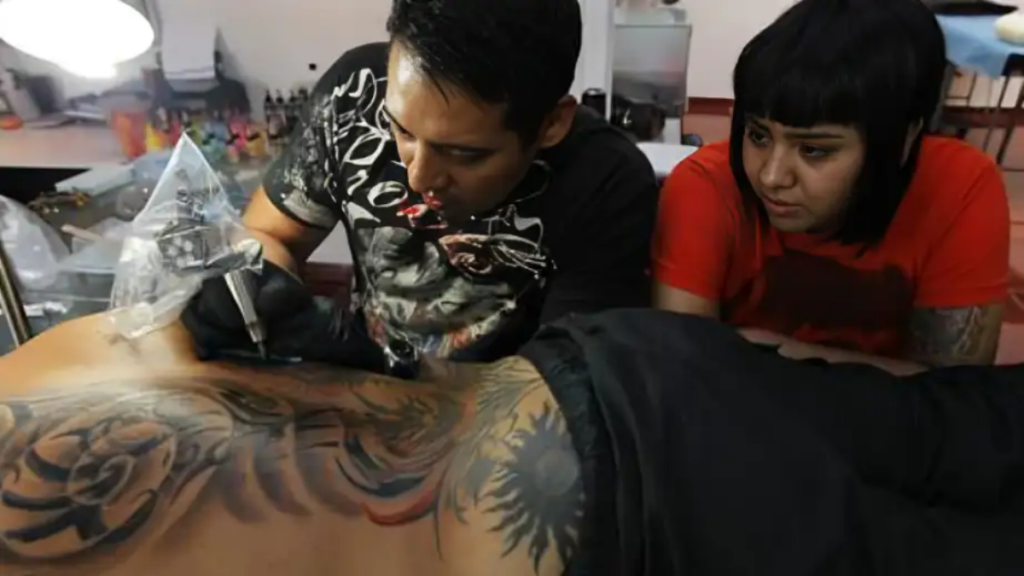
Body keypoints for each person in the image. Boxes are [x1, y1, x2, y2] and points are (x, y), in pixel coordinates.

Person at [2, 308, 1024, 576]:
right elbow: (195, 323)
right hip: (617, 369)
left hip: (621, 506)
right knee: (944, 426)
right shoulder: (47, 361)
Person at [181, 0, 658, 372]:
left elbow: (561, 389)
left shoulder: (606, 182)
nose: (419, 177)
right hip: (359, 399)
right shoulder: (353, 95)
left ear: (551, 124)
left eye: (465, 153)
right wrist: (258, 286)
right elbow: (270, 233)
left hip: (503, 430)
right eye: (402, 131)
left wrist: (399, 375)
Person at [652, 0, 1010, 374]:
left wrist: (764, 349)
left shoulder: (959, 188)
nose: (772, 176)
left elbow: (955, 390)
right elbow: (680, 371)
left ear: (903, 141)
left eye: (813, 150)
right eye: (758, 135)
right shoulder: (706, 186)